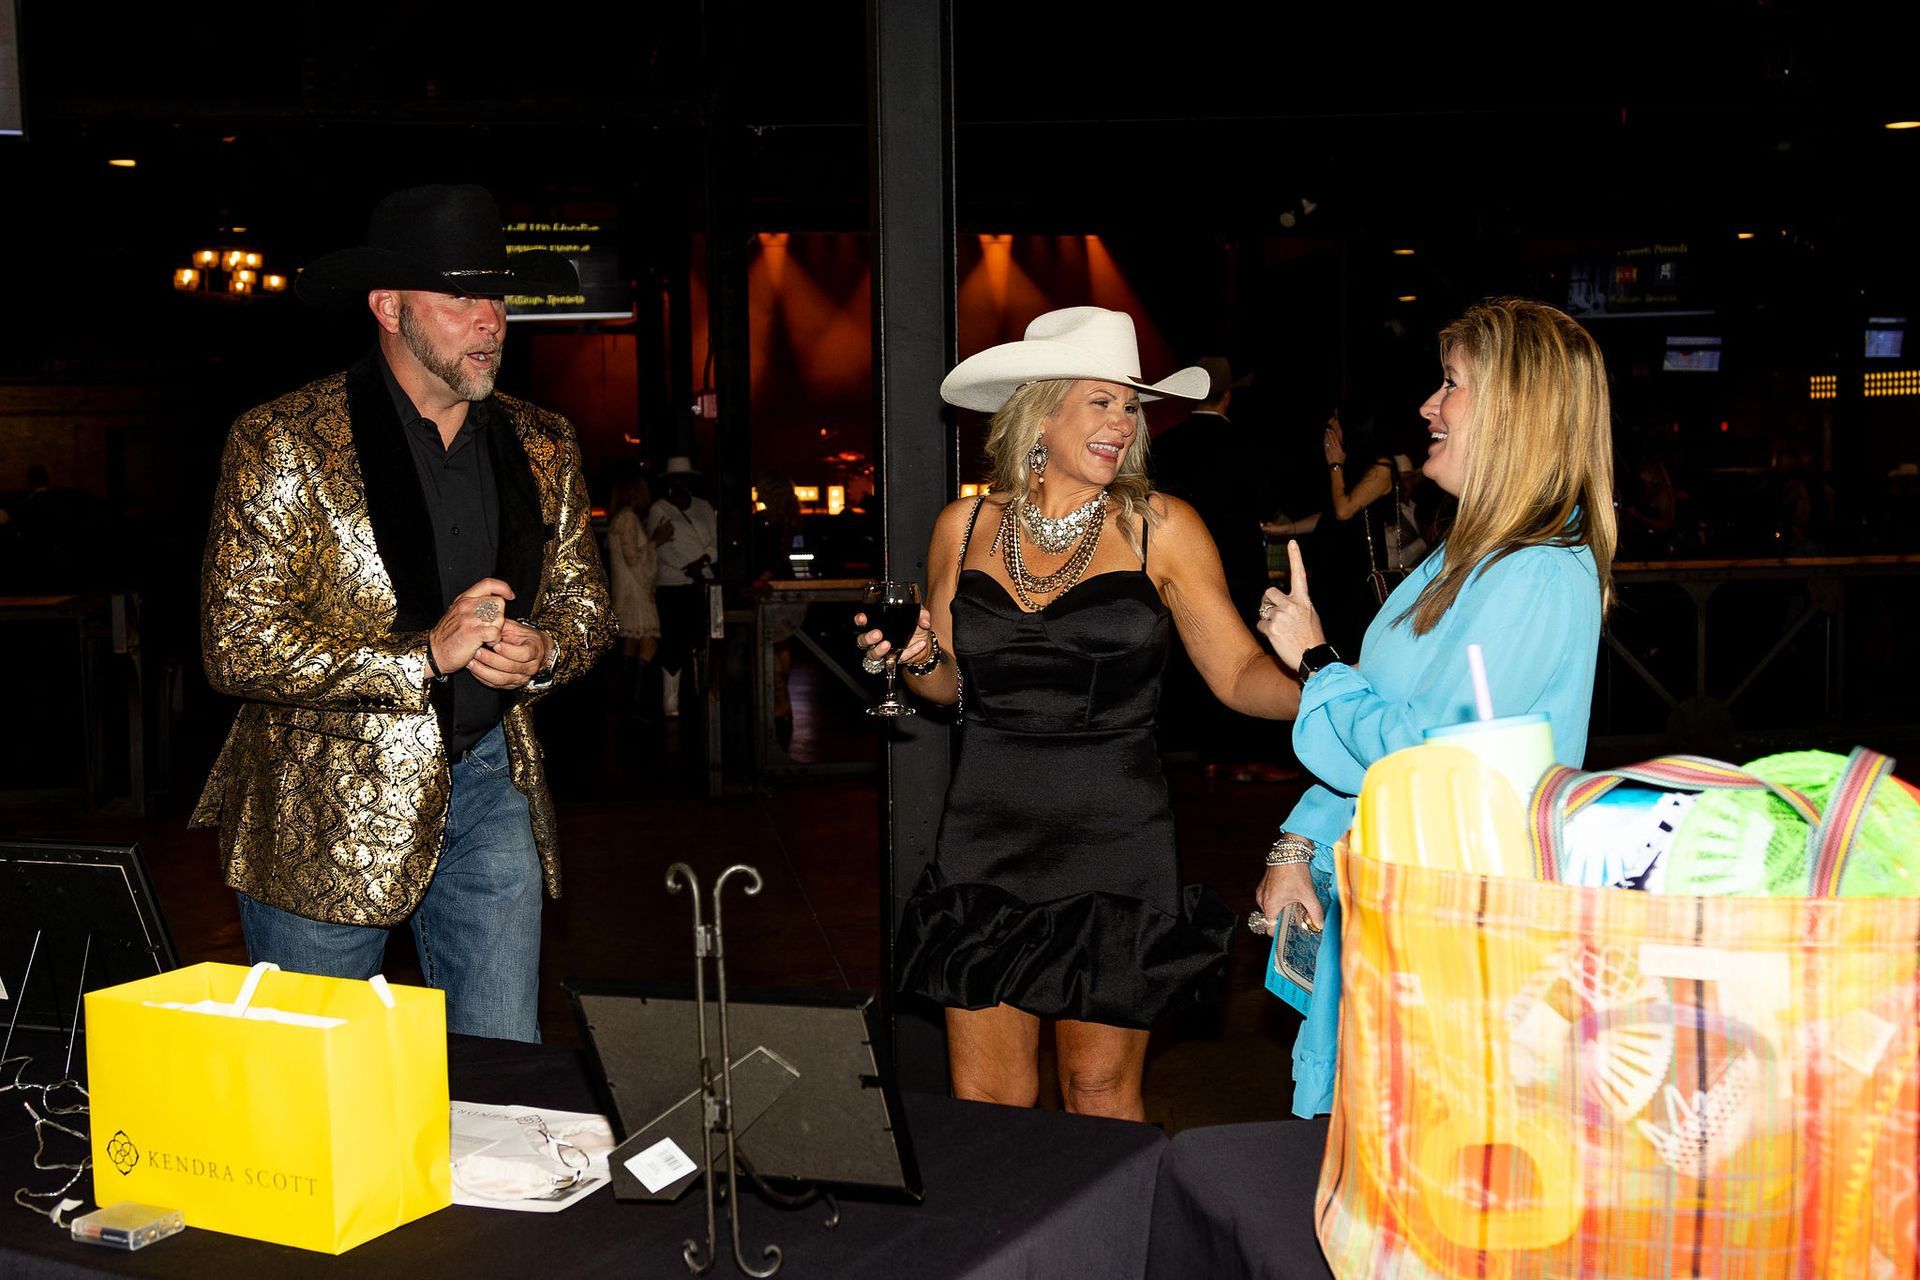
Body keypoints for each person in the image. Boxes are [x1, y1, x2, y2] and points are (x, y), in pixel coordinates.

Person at [856, 307, 1302, 1120]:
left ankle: (1112, 1247)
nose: (1125, 421)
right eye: (1103, 401)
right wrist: (916, 656)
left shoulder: (1160, 526)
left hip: (1114, 835)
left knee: (1097, 1090)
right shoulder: (964, 528)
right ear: (1041, 410)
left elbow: (1238, 671)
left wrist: (1332, 687)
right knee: (990, 1097)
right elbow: (949, 687)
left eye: (1132, 406)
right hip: (986, 836)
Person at [192, 184, 614, 1042]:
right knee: (318, 1094)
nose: (490, 320)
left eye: (496, 297)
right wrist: (421, 655)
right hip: (325, 809)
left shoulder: (544, 442)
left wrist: (545, 651)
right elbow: (236, 644)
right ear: (389, 308)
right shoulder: (283, 439)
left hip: (494, 785)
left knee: (502, 1077)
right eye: (461, 297)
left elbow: (586, 609)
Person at [1253, 297, 1615, 1117]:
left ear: (1517, 412)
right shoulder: (1464, 556)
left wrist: (1317, 662)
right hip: (1398, 918)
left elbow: (1426, 756)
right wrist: (1297, 844)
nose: (1428, 406)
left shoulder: (1540, 573)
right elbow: (1379, 730)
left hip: (1460, 949)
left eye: (1451, 385)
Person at [1314, 403, 1399, 653]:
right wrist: (1283, 530)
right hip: (1334, 572)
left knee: (1352, 643)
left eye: (1337, 419)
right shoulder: (1349, 468)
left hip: (1358, 577)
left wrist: (1335, 465)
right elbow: (1328, 516)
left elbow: (1344, 510)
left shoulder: (1381, 467)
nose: (1330, 424)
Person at [648, 456, 719, 718]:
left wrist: (702, 562)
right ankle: (671, 701)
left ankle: (704, 694)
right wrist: (688, 567)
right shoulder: (659, 509)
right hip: (672, 585)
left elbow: (714, 540)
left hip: (704, 581)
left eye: (685, 479)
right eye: (676, 479)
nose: (681, 483)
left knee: (704, 639)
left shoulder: (703, 506)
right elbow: (661, 547)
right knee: (673, 642)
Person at [608, 472, 667, 716]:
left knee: (631, 646)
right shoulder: (628, 518)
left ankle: (627, 702)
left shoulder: (620, 518)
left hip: (629, 592)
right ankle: (636, 702)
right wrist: (656, 541)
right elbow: (634, 558)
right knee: (647, 642)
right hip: (636, 594)